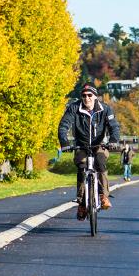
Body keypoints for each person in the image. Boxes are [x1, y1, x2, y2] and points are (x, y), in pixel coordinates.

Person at [58, 83, 120, 220]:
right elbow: (64, 125)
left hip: (99, 145)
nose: (87, 98)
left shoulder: (105, 109)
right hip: (81, 145)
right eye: (84, 96)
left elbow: (114, 127)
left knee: (100, 162)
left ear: (95, 96)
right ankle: (81, 202)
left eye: (90, 95)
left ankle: (104, 196)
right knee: (81, 167)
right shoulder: (74, 108)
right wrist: (65, 143)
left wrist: (113, 140)